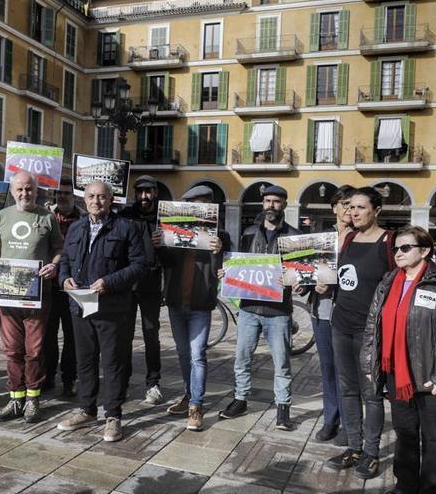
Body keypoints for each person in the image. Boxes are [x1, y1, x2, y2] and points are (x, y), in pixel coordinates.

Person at [362, 225, 436, 494]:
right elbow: (373, 326)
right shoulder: (388, 281)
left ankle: (431, 487)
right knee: (405, 434)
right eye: (396, 248)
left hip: (432, 376)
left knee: (434, 438)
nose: (398, 252)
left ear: (424, 251)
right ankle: (405, 485)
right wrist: (370, 365)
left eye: (405, 247)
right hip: (397, 374)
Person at [56, 181, 148, 442]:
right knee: (84, 360)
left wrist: (110, 282)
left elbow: (140, 265)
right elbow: (65, 260)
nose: (96, 201)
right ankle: (86, 410)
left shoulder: (125, 228)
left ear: (111, 200)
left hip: (111, 306)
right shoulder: (75, 228)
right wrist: (63, 279)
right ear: (84, 200)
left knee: (112, 362)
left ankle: (113, 415)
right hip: (80, 303)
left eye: (102, 197)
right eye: (92, 197)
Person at [0, 171, 63, 423]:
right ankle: (15, 398)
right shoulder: (2, 215)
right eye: (20, 189)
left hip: (37, 295)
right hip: (6, 293)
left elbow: (58, 248)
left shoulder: (47, 216)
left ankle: (33, 398)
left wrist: (54, 265)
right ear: (12, 192)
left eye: (29, 189)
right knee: (12, 350)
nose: (25, 194)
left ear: (36, 191)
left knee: (34, 350)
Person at [218, 185, 301, 430]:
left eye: (276, 201)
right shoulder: (248, 232)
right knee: (242, 357)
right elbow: (239, 263)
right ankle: (240, 399)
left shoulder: (293, 237)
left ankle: (283, 407)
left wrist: (295, 281)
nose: (271, 205)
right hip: (248, 309)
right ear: (262, 204)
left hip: (279, 311)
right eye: (267, 201)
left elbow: (301, 274)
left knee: (282, 362)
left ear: (284, 204)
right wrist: (228, 273)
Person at [330, 186, 395, 479]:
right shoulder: (348, 239)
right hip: (341, 324)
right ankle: (353, 447)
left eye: (360, 207)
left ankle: (371, 452)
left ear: (376, 210)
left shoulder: (389, 242)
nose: (353, 212)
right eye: (350, 207)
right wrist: (323, 284)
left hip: (371, 330)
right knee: (347, 389)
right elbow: (338, 277)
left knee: (371, 393)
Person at [154, 185, 230, 431]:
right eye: (193, 204)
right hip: (176, 302)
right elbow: (166, 263)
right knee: (183, 354)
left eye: (203, 204)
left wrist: (221, 250)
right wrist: (159, 245)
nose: (199, 209)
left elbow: (227, 266)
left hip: (200, 304)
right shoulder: (174, 231)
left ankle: (196, 405)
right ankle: (188, 395)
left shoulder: (220, 235)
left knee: (198, 355)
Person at [308, 185, 355, 443]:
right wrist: (310, 283)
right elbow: (304, 271)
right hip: (322, 310)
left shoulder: (361, 238)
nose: (349, 209)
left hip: (349, 313)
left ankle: (350, 424)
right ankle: (330, 419)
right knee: (327, 368)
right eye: (344, 203)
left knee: (347, 371)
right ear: (334, 207)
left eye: (353, 204)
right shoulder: (321, 238)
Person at [119, 175, 164, 404]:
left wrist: (162, 244)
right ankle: (122, 382)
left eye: (149, 191)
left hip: (151, 284)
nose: (144, 196)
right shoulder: (125, 215)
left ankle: (153, 383)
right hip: (127, 285)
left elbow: (173, 254)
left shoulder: (164, 217)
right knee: (124, 336)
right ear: (135, 193)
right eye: (140, 191)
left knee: (151, 335)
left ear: (155, 192)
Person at [44, 180, 84, 397]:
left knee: (73, 335)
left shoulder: (84, 219)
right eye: (59, 193)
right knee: (47, 335)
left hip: (74, 285)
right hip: (49, 285)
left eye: (67, 193)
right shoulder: (45, 217)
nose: (62, 197)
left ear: (74, 196)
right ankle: (47, 376)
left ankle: (69, 378)